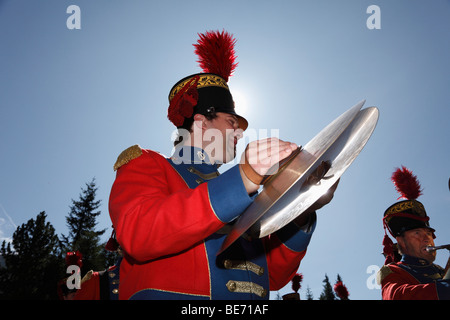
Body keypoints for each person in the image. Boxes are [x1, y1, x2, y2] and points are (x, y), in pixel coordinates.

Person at [108, 30, 337, 300]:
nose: (239, 134)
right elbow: (139, 233)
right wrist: (243, 179)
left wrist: (302, 207)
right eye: (232, 122)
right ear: (202, 122)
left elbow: (274, 278)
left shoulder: (244, 192)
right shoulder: (147, 163)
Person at [377, 166, 450, 300]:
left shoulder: (440, 270)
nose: (426, 238)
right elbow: (397, 296)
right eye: (417, 233)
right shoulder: (394, 271)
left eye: (428, 233)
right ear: (401, 242)